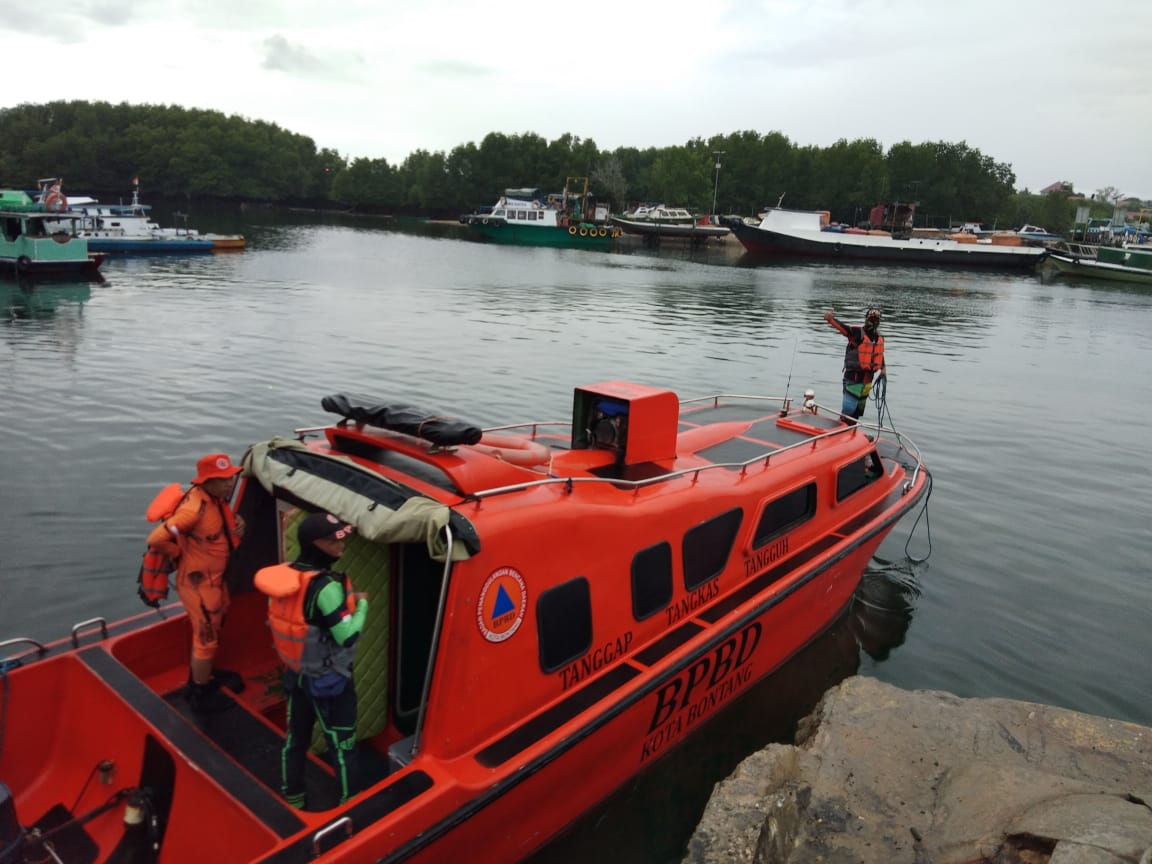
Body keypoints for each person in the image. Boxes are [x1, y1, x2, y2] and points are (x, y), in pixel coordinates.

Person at [255, 512, 368, 810]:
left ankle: (292, 796)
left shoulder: (283, 578)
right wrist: (363, 606)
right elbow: (347, 636)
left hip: (296, 675)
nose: (342, 544)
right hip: (329, 681)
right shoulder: (326, 588)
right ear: (317, 544)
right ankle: (351, 805)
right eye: (336, 540)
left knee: (295, 741)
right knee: (343, 746)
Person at [146, 453, 246, 713]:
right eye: (222, 480)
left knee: (217, 622)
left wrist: (240, 526)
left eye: (231, 478)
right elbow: (157, 538)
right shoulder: (192, 511)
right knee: (207, 640)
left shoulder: (214, 500)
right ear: (206, 481)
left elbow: (218, 530)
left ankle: (203, 676)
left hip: (215, 581)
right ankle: (199, 692)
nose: (229, 484)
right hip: (198, 584)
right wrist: (178, 554)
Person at [824, 307, 886, 423]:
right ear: (866, 319)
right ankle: (840, 431)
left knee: (857, 411)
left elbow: (878, 354)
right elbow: (843, 329)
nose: (873, 321)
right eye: (871, 318)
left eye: (876, 319)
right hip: (853, 378)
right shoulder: (857, 332)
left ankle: (851, 432)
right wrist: (831, 320)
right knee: (849, 410)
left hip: (867, 380)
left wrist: (883, 368)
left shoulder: (879, 337)